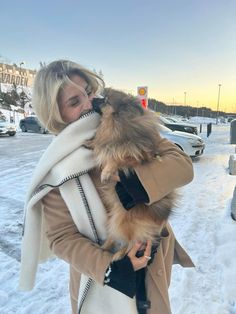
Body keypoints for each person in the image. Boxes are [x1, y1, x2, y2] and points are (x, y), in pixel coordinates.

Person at [19, 59, 195, 314]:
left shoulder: (126, 125)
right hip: (101, 277)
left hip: (153, 256)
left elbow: (182, 165)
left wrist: (135, 185)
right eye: (74, 102)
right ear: (56, 115)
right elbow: (61, 238)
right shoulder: (56, 168)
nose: (89, 104)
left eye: (88, 92)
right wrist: (115, 268)